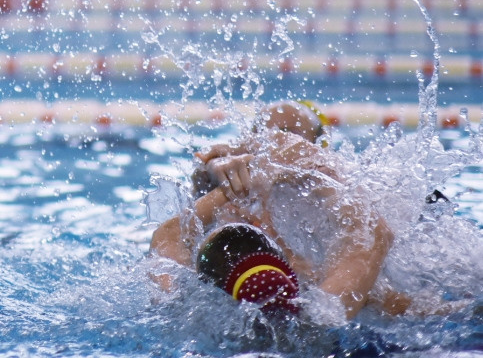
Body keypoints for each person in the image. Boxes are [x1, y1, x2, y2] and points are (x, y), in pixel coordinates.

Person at [148, 100, 442, 324]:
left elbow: (373, 237)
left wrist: (310, 172)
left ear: (316, 150)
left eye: (289, 135)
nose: (275, 142)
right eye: (264, 135)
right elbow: (168, 244)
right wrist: (224, 178)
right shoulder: (233, 207)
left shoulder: (331, 221)